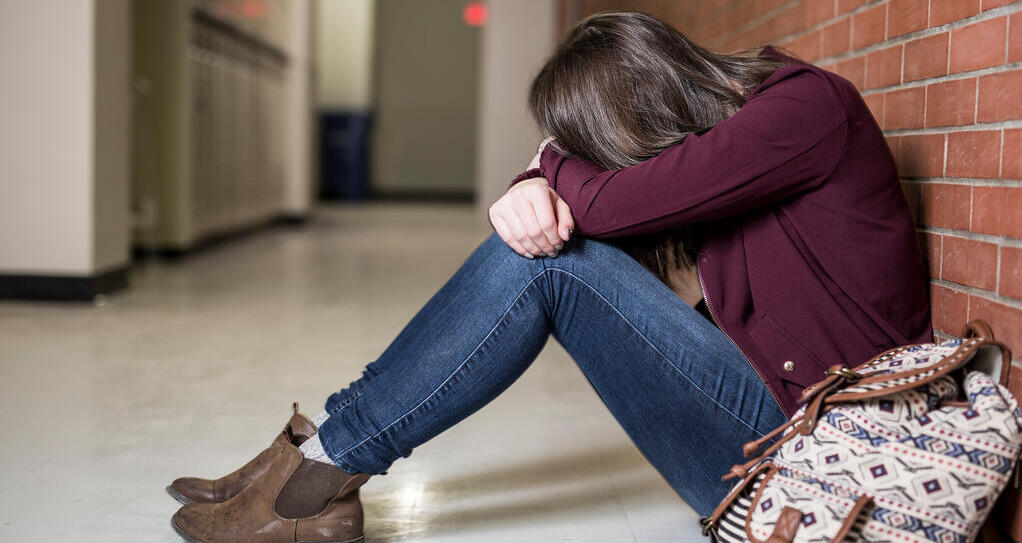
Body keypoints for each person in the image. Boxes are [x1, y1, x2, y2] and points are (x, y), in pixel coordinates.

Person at [166, 12, 933, 543]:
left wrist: (544, 165)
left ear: (639, 104)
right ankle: (318, 464)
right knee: (546, 249)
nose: (600, 163)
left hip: (822, 463)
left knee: (551, 264)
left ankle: (318, 472)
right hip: (769, 439)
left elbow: (607, 204)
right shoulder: (729, 141)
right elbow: (598, 203)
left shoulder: (802, 108)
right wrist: (537, 179)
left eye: (594, 145)